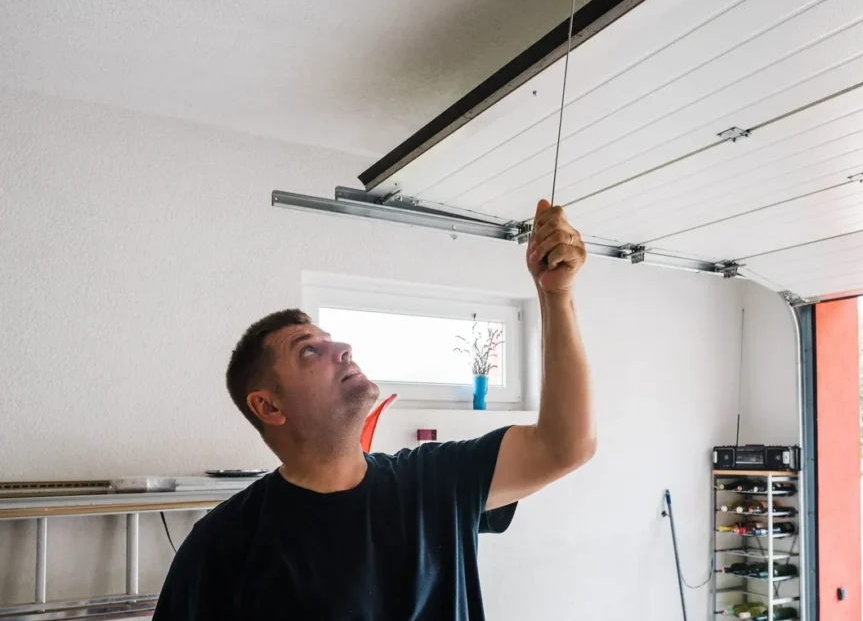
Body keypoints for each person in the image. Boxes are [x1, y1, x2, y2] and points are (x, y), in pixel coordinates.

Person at [153, 200, 595, 620]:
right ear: (269, 405)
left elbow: (565, 445)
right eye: (310, 352)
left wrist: (556, 296)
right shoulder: (223, 547)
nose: (344, 349)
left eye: (334, 340)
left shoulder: (436, 482)